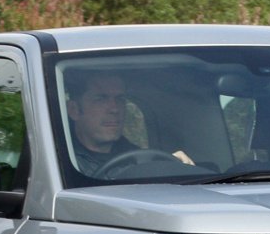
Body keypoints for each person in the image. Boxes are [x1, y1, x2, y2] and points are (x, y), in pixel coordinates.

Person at [65, 72, 193, 175]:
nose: (114, 109)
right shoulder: (59, 163)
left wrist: (172, 167)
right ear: (74, 110)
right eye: (101, 99)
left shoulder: (140, 158)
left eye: (120, 99)